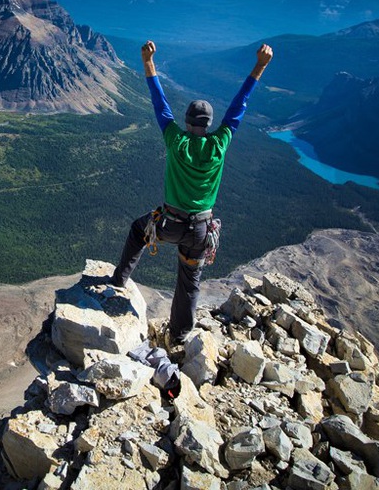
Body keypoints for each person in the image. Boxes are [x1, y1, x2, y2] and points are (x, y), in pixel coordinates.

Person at [111, 40, 273, 344]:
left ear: (186, 122)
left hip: (169, 224)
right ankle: (181, 335)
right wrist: (260, 66)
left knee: (137, 230)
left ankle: (119, 280)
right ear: (210, 124)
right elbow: (239, 106)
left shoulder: (176, 141)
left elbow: (160, 104)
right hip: (201, 230)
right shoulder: (219, 143)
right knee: (189, 283)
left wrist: (148, 62)